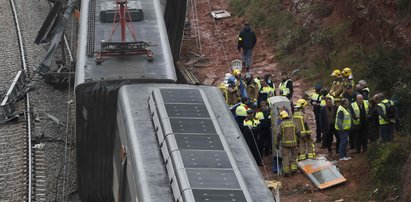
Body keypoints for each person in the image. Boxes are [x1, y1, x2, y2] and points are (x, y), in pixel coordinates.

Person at [276, 111, 300, 176]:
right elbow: (298, 132)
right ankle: (293, 170)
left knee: (285, 157)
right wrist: (298, 141)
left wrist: (277, 143)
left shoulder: (281, 125)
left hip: (285, 144)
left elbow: (279, 135)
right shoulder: (293, 123)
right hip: (293, 143)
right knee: (294, 156)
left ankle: (286, 172)